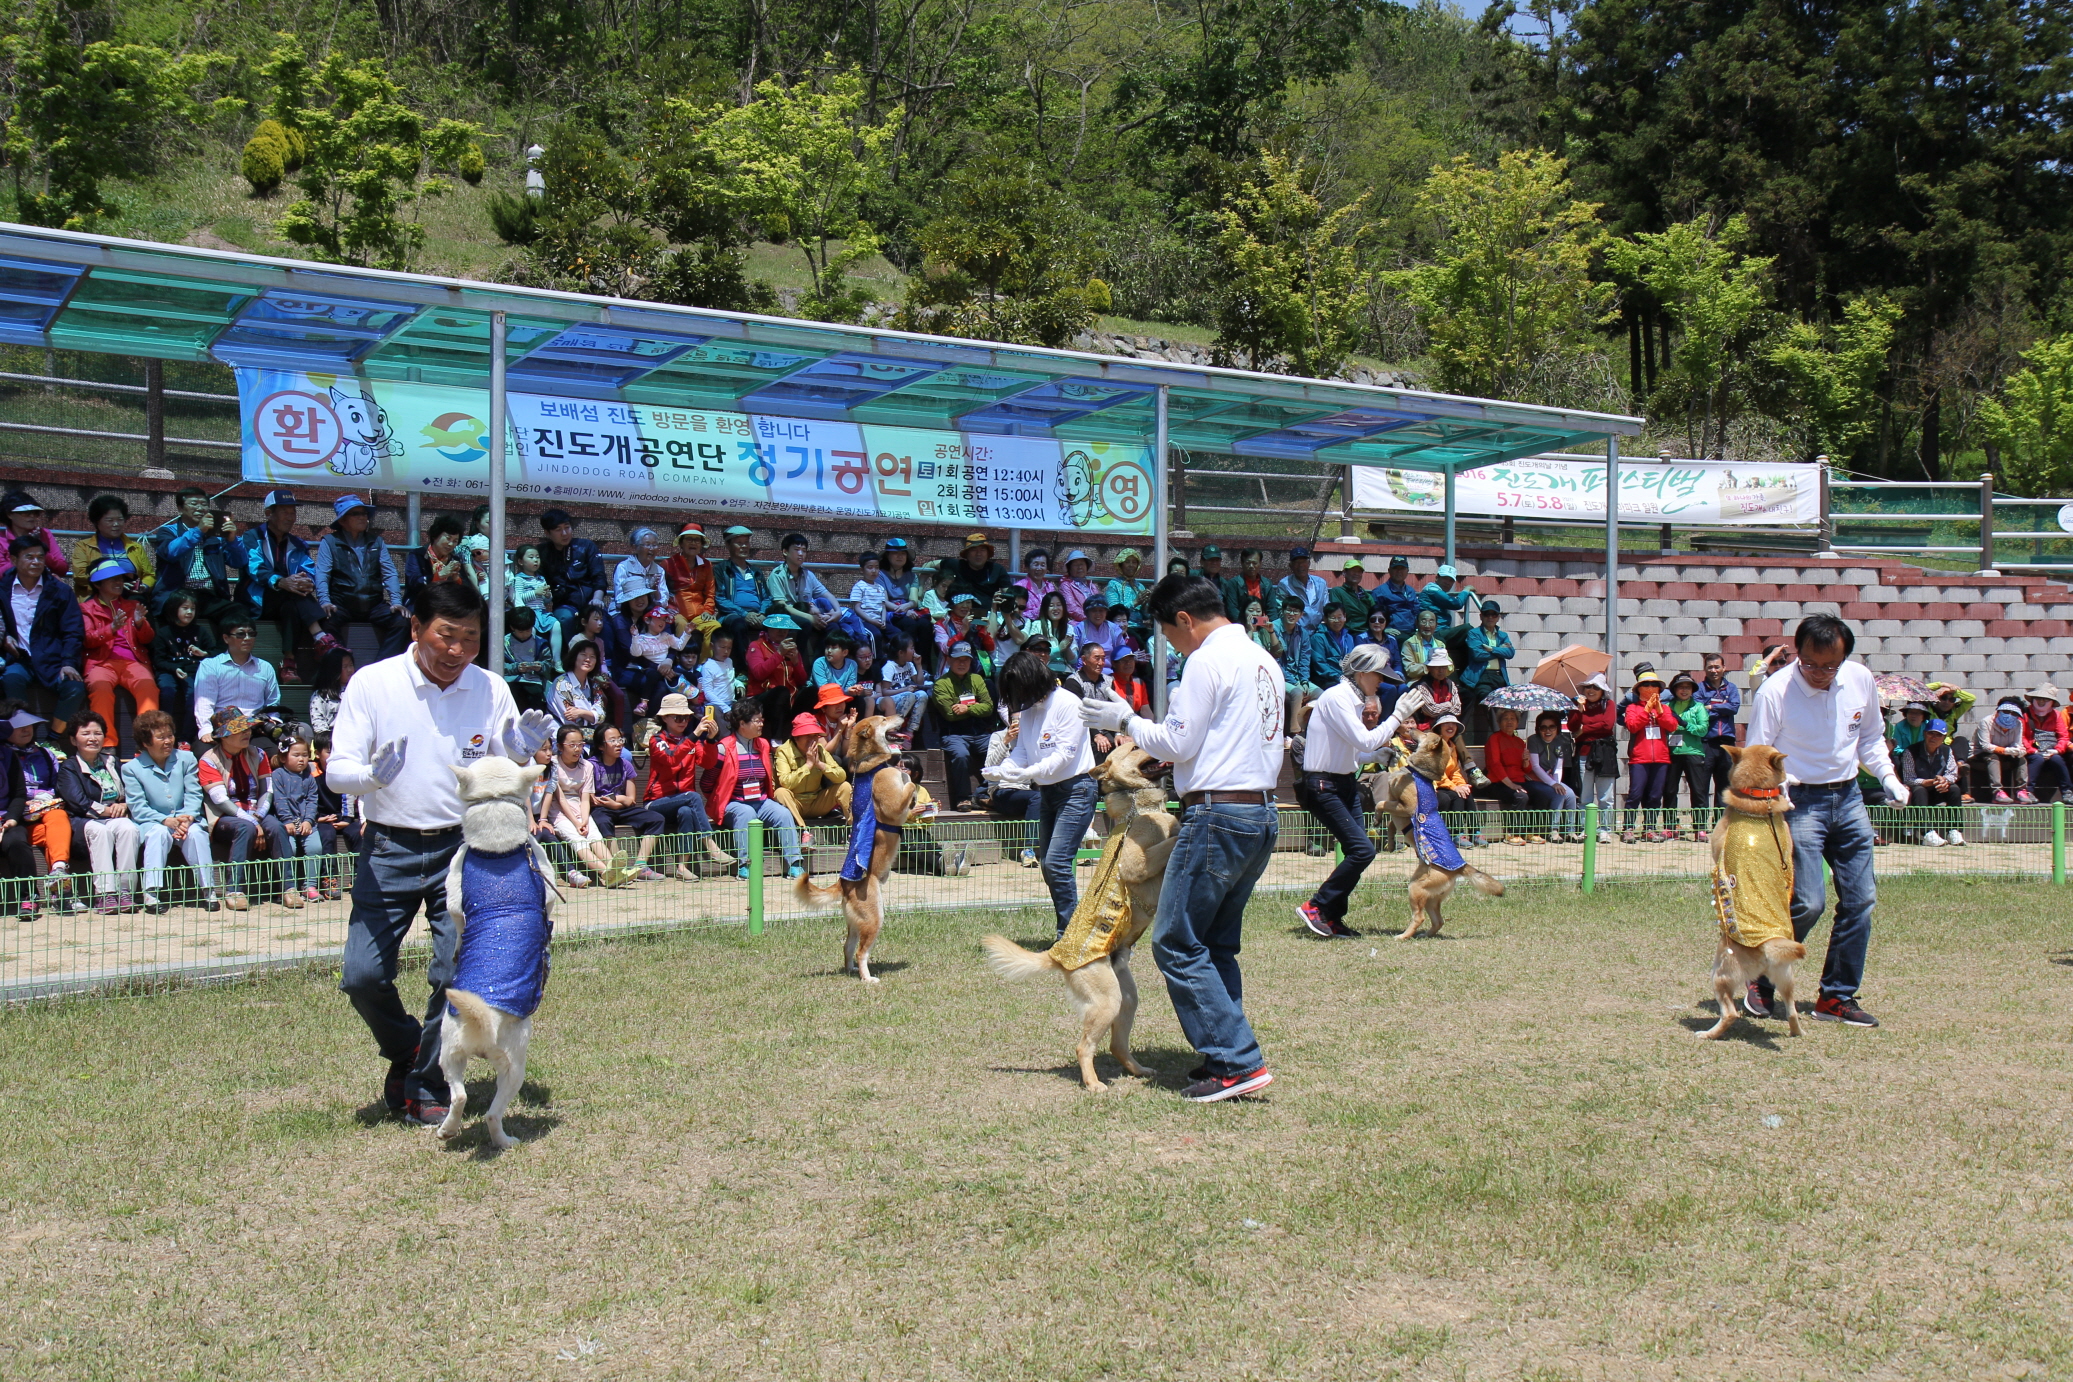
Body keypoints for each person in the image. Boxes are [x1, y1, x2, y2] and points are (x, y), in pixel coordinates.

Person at [326, 579, 555, 1126]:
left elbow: (507, 766)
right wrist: (367, 777)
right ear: (415, 629)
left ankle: (427, 1081)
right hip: (388, 845)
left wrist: (522, 751)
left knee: (452, 971)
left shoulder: (490, 687)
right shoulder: (373, 684)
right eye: (446, 636)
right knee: (361, 974)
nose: (456, 651)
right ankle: (406, 1049)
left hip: (466, 852)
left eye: (470, 639)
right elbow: (337, 768)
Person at [1079, 573, 1284, 1102]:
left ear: (1186, 620)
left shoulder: (1206, 661)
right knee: (1215, 943)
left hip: (1219, 815)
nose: (1170, 644)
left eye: (1169, 634)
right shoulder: (1263, 659)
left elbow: (1177, 741)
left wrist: (1125, 717)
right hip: (1260, 812)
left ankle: (1237, 1062)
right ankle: (1224, 1055)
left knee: (1175, 940)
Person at [1742, 613, 1906, 1028]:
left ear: (1845, 657)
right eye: (1811, 664)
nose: (1820, 674)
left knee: (1861, 901)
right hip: (1800, 802)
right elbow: (1757, 754)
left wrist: (1888, 778)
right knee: (1808, 901)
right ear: (1798, 654)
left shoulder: (1860, 679)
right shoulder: (1775, 692)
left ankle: (1836, 997)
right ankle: (1758, 972)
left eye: (1830, 666)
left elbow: (1869, 737)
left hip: (1849, 798)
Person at [985, 650, 1096, 939]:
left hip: (1076, 790)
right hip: (1048, 792)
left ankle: (1070, 935)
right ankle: (1073, 928)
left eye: (1018, 691)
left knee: (1057, 861)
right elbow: (1021, 750)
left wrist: (1027, 773)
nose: (1017, 699)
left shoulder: (1068, 704)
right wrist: (1004, 770)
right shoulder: (1031, 710)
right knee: (1048, 864)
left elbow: (1063, 756)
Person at [1294, 642, 1397, 938]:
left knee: (1359, 850)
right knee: (1363, 850)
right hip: (1324, 785)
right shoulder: (1337, 697)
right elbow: (1365, 741)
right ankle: (1316, 906)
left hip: (1343, 783)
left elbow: (1350, 752)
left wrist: (1373, 758)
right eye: (1379, 674)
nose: (1381, 681)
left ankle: (1331, 917)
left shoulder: (1349, 700)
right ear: (1362, 672)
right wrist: (1397, 715)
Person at [121, 708, 219, 914]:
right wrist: (166, 820)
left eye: (170, 735)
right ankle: (151, 893)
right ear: (146, 742)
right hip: (153, 822)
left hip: (186, 819)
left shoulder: (187, 758)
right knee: (157, 835)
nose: (168, 741)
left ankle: (209, 890)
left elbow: (194, 793)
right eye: (160, 737)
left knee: (196, 834)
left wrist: (188, 817)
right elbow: (138, 807)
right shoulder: (131, 768)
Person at [697, 702, 804, 880]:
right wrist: (721, 797)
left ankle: (794, 864)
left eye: (762, 720)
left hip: (761, 801)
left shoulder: (763, 744)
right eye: (756, 720)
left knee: (783, 814)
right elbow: (706, 783)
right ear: (742, 724)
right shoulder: (724, 747)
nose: (761, 724)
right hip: (734, 803)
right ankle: (745, 864)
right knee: (746, 812)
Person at [56, 711, 138, 912]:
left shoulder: (112, 762)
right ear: (73, 740)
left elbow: (129, 792)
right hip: (84, 821)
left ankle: (126, 892)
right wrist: (107, 811)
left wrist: (125, 805)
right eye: (85, 734)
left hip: (115, 817)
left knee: (129, 828)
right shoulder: (69, 767)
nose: (93, 738)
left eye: (98, 733)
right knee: (101, 831)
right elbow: (78, 802)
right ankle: (105, 894)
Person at [0, 534, 86, 725]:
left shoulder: (60, 591)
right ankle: (23, 736)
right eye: (29, 557)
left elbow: (73, 630)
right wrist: (4, 637)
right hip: (19, 659)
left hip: (52, 659)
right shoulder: (3, 589)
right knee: (11, 680)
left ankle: (53, 738)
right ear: (14, 560)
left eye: (40, 557)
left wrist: (69, 662)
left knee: (75, 688)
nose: (36, 562)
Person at [642, 693, 731, 877]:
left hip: (683, 803)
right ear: (665, 718)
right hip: (656, 803)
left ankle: (682, 867)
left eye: (686, 717)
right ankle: (710, 845)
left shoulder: (692, 741)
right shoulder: (656, 740)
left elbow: (707, 763)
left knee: (687, 810)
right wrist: (695, 734)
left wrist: (711, 740)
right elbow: (671, 758)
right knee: (692, 797)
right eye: (678, 717)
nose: (683, 721)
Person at [196, 708, 275, 911]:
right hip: (225, 817)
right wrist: (252, 822)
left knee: (276, 826)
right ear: (224, 736)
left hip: (256, 811)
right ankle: (234, 890)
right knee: (245, 828)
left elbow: (268, 791)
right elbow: (221, 801)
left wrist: (258, 817)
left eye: (247, 728)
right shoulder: (208, 760)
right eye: (240, 730)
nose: (247, 732)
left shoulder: (258, 753)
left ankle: (289, 887)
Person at [313, 495, 408, 659]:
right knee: (326, 621)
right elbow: (322, 573)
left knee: (403, 621)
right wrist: (324, 601)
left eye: (364, 513)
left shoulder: (377, 541)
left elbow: (390, 572)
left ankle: (381, 667)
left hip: (374, 604)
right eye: (356, 514)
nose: (363, 517)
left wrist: (396, 602)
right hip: (342, 603)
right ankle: (342, 665)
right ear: (342, 521)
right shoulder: (329, 542)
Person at [240, 489, 332, 656]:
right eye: (285, 512)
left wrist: (306, 582)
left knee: (291, 602)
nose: (290, 517)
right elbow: (255, 568)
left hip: (289, 600)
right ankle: (320, 636)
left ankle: (289, 662)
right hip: (257, 601)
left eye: (293, 512)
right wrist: (281, 581)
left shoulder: (298, 543)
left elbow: (309, 570)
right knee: (291, 592)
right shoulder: (252, 537)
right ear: (269, 513)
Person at [79, 556, 159, 727]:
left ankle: (148, 741)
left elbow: (148, 638)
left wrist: (139, 624)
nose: (119, 582)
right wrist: (111, 628)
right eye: (112, 579)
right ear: (98, 584)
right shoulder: (86, 608)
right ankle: (106, 744)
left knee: (148, 686)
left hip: (133, 662)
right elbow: (87, 640)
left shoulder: (133, 605)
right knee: (100, 688)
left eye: (120, 578)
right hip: (101, 663)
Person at [7, 708, 74, 905]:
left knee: (58, 817)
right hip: (14, 819)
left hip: (43, 812)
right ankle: (58, 893)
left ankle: (59, 870)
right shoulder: (3, 756)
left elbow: (56, 785)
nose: (26, 730)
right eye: (19, 726)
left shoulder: (45, 754)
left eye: (29, 725)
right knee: (54, 834)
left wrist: (46, 798)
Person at [145, 487, 237, 626]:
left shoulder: (217, 535)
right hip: (177, 593)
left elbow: (238, 562)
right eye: (194, 504)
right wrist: (198, 531)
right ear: (180, 509)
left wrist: (233, 541)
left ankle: (220, 648)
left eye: (204, 504)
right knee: (181, 613)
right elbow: (171, 553)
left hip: (209, 595)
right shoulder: (168, 531)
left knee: (238, 613)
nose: (200, 508)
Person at [588, 722, 668, 880]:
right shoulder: (591, 766)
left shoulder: (625, 764)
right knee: (602, 821)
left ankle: (641, 866)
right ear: (601, 746)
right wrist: (616, 801)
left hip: (621, 808)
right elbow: (591, 799)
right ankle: (619, 867)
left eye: (620, 739)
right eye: (612, 741)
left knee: (656, 819)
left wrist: (617, 801)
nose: (618, 744)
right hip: (601, 808)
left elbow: (631, 799)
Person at [543, 723, 618, 888]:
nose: (577, 749)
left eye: (581, 744)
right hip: (559, 812)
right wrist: (577, 824)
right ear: (561, 746)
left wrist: (584, 820)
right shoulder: (553, 765)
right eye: (572, 745)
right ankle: (607, 873)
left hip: (581, 809)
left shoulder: (587, 766)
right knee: (578, 840)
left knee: (595, 837)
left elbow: (585, 798)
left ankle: (614, 869)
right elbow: (560, 799)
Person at [191, 618, 281, 741]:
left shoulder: (265, 667)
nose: (247, 638)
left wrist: (273, 721)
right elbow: (204, 703)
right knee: (203, 752)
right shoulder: (210, 665)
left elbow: (272, 703)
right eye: (241, 634)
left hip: (255, 729)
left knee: (275, 752)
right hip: (221, 728)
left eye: (251, 634)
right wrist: (206, 730)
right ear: (226, 638)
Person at [932, 641, 996, 811]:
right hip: (953, 734)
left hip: (979, 733)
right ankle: (963, 798)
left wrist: (966, 708)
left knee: (997, 749)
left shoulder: (977, 679)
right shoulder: (941, 684)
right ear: (949, 660)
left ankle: (986, 794)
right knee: (961, 755)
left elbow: (989, 708)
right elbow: (950, 714)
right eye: (957, 659)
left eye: (966, 660)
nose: (962, 663)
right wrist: (977, 708)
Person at [267, 733, 326, 907]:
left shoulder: (309, 776)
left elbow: (312, 800)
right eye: (296, 755)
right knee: (289, 849)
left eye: (305, 755)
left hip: (307, 823)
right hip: (286, 824)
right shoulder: (278, 775)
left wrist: (308, 820)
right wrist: (287, 820)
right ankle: (286, 887)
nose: (301, 759)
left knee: (316, 847)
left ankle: (310, 886)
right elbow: (280, 800)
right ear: (284, 757)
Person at [1621, 669, 1677, 842]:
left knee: (1655, 795)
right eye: (1646, 685)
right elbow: (1632, 726)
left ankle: (1650, 828)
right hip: (1640, 758)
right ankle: (1628, 828)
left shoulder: (1665, 708)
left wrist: (1659, 711)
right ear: (1638, 690)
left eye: (1654, 685)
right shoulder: (1632, 707)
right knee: (1635, 794)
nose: (1650, 688)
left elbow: (1672, 726)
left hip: (1661, 758)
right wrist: (1646, 710)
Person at [152, 593, 215, 743]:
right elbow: (158, 660)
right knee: (167, 692)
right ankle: (165, 732)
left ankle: (185, 738)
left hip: (192, 671)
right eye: (185, 608)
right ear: (174, 609)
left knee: (194, 695)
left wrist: (204, 654)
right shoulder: (163, 632)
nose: (189, 612)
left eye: (192, 609)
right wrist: (174, 669)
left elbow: (215, 652)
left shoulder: (200, 632)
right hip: (169, 670)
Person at [537, 508, 608, 638]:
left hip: (591, 603)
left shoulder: (586, 546)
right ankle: (573, 655)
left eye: (567, 527)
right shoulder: (542, 553)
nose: (564, 533)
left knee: (606, 625)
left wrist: (597, 599)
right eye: (558, 530)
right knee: (565, 619)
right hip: (565, 605)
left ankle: (605, 658)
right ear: (547, 532)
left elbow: (599, 576)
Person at [774, 713, 853, 828]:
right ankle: (803, 831)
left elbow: (841, 776)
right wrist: (808, 765)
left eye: (815, 736)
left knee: (844, 786)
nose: (812, 740)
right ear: (796, 738)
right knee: (780, 792)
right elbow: (785, 782)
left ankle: (855, 830)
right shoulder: (783, 751)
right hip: (794, 803)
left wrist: (820, 764)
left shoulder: (820, 750)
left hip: (816, 802)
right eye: (807, 736)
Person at [71, 493, 156, 598]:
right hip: (97, 597)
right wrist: (116, 585)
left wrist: (144, 586)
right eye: (110, 520)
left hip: (131, 597)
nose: (116, 524)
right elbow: (80, 576)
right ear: (97, 522)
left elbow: (149, 574)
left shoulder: (135, 547)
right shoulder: (84, 547)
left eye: (120, 520)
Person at [1899, 718, 1964, 846]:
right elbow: (1908, 779)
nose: (1934, 738)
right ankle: (1927, 832)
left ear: (1944, 737)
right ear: (1924, 733)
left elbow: (1953, 773)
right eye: (1931, 733)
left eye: (1938, 735)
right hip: (1918, 793)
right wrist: (1927, 782)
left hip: (1938, 790)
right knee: (1919, 790)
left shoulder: (1947, 751)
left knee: (1954, 789)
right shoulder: (1910, 751)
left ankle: (1954, 830)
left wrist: (1944, 780)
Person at [1477, 707, 1537, 845]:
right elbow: (1495, 765)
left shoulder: (1520, 742)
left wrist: (1526, 760)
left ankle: (1533, 830)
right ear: (1499, 722)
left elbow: (1526, 769)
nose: (1509, 722)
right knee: (1521, 795)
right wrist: (1511, 785)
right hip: (1498, 783)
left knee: (1542, 791)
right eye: (1505, 719)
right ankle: (1512, 833)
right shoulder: (1494, 739)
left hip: (1519, 781)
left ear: (1517, 722)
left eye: (1512, 719)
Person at [1664, 671, 1713, 839]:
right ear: (1674, 690)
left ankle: (1700, 827)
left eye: (1688, 687)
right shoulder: (1668, 706)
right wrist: (1678, 725)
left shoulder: (1698, 707)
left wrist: (1683, 723)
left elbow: (1702, 729)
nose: (1684, 690)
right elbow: (1665, 725)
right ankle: (1670, 826)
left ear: (1692, 690)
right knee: (1669, 790)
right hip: (1672, 752)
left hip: (1694, 752)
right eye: (1680, 687)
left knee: (1699, 791)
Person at [311, 732, 358, 898]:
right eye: (329, 752)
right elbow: (309, 798)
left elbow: (349, 794)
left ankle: (358, 876)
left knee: (358, 832)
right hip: (321, 818)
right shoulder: (312, 772)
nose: (333, 756)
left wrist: (347, 819)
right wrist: (317, 818)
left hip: (343, 815)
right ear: (317, 753)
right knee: (327, 836)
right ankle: (329, 878)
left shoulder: (343, 769)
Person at [1692, 653, 1742, 806]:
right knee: (1701, 786)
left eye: (1717, 667)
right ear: (1704, 669)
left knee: (1725, 786)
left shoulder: (1731, 687)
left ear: (1724, 668)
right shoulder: (1699, 689)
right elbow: (1701, 714)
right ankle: (1700, 826)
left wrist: (1712, 706)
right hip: (1706, 742)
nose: (1714, 670)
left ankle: (1720, 824)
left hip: (1727, 742)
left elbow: (1734, 707)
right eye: (1710, 667)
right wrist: (1722, 708)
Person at [1573, 673, 1618, 842]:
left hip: (1605, 753)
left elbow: (1607, 725)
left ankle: (1605, 829)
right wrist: (1578, 710)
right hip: (1584, 753)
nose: (1591, 690)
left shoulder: (1609, 704)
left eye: (1596, 687)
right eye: (1588, 687)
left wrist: (1585, 729)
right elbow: (1572, 726)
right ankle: (1587, 829)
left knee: (1606, 797)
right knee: (1585, 796)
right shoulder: (1578, 705)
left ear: (1602, 691)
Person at [744, 615, 809, 730]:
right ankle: (776, 739)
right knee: (781, 691)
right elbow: (759, 673)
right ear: (768, 628)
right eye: (777, 628)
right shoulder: (756, 645)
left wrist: (796, 662)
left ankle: (804, 730)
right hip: (763, 697)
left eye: (785, 628)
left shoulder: (791, 647)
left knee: (811, 692)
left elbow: (801, 681)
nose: (782, 631)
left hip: (788, 699)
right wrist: (779, 654)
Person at [663, 523, 720, 653]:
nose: (693, 543)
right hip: (676, 612)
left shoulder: (706, 565)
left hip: (700, 613)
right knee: (682, 625)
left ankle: (704, 666)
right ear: (681, 543)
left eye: (697, 540)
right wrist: (669, 609)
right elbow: (661, 591)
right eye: (689, 539)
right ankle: (682, 665)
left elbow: (710, 593)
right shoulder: (668, 564)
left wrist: (708, 611)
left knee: (714, 625)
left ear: (701, 544)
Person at [1527, 710, 1584, 841]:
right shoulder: (1533, 740)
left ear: (1557, 729)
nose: (1548, 731)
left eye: (1552, 727)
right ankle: (1553, 830)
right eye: (1543, 727)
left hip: (1550, 779)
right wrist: (1554, 785)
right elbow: (1535, 766)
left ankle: (1571, 831)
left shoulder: (1560, 741)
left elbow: (1558, 767)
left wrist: (1557, 783)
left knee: (1569, 793)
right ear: (1538, 729)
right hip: (1534, 779)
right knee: (1558, 793)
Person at [713, 525, 768, 660]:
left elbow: (767, 597)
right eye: (739, 543)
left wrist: (761, 613)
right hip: (732, 614)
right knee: (738, 624)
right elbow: (719, 598)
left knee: (781, 621)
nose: (744, 547)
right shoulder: (721, 569)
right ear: (728, 545)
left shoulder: (755, 571)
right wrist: (745, 614)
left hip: (757, 614)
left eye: (746, 543)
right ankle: (742, 668)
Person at [1459, 599, 1514, 731]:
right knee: (1487, 700)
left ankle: (1510, 734)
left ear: (1498, 617)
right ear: (1481, 616)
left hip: (1499, 676)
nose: (1490, 617)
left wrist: (1491, 649)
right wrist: (1500, 650)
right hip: (1482, 677)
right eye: (1486, 614)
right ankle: (1498, 734)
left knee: (1509, 702)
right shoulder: (1474, 633)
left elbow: (1511, 652)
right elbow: (1477, 655)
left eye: (1493, 614)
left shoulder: (1503, 635)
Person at [402, 514, 469, 611]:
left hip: (447, 604)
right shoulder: (418, 555)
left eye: (455, 541)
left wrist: (457, 579)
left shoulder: (455, 560)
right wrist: (440, 575)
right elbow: (414, 583)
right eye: (448, 538)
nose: (451, 544)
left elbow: (466, 589)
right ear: (435, 536)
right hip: (420, 602)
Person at [0, 491, 69, 584]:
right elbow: (1, 574)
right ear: (9, 514)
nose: (32, 516)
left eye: (35, 512)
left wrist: (41, 548)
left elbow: (62, 569)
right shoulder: (1, 539)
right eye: (25, 513)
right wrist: (24, 550)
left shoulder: (44, 534)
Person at [501, 606, 559, 713]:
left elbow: (548, 664)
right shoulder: (504, 642)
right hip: (512, 681)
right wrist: (517, 668)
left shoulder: (540, 643)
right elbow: (499, 666)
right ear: (512, 628)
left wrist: (540, 666)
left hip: (534, 681)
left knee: (535, 699)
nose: (524, 634)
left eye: (528, 630)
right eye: (520, 631)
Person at [2021, 684, 2073, 803]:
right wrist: (2032, 750)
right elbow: (2021, 735)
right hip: (2031, 750)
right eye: (2038, 699)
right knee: (2037, 759)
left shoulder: (2056, 715)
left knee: (2058, 760)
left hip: (2051, 749)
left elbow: (2063, 736)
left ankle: (2067, 792)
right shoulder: (2025, 714)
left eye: (2045, 699)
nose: (2041, 702)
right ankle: (2028, 791)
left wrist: (2057, 750)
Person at [1392, 644, 1463, 728]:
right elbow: (1432, 711)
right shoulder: (1421, 686)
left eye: (1444, 667)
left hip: (1446, 725)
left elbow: (1458, 709)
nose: (1441, 671)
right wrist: (1448, 704)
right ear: (1429, 668)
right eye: (1437, 667)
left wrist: (1440, 708)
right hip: (1427, 728)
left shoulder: (1451, 684)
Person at [1973, 695, 2028, 803]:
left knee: (2021, 759)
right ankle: (1997, 792)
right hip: (1983, 753)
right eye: (2006, 711)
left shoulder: (2018, 724)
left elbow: (2017, 743)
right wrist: (2005, 750)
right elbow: (1985, 746)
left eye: (2014, 714)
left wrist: (2019, 750)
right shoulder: (1986, 722)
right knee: (1993, 757)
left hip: (2006, 753)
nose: (2010, 715)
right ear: (1998, 711)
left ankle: (2021, 790)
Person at [875, 636, 931, 739]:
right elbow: (884, 692)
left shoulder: (909, 664)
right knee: (909, 695)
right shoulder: (889, 666)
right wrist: (905, 689)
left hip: (906, 696)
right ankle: (895, 729)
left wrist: (918, 665)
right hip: (890, 699)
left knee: (922, 694)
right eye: (911, 648)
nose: (914, 651)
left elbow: (920, 683)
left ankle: (910, 731)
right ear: (901, 653)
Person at [612, 527, 671, 613]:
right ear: (634, 547)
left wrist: (656, 594)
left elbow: (664, 600)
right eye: (647, 544)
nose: (651, 548)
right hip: (626, 611)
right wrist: (648, 587)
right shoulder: (623, 567)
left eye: (654, 545)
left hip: (651, 611)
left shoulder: (659, 570)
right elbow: (620, 599)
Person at [948, 532, 1012, 611]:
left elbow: (1008, 593)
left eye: (983, 550)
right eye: (974, 550)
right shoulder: (956, 565)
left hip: (990, 615)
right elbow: (931, 564)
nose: (978, 554)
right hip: (962, 614)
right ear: (967, 554)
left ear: (988, 553)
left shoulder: (997, 569)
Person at [1272, 546, 1328, 633]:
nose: (1300, 566)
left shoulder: (1321, 583)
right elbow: (1281, 610)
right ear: (1290, 566)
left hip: (1319, 631)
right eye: (1297, 562)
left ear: (1309, 563)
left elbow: (1326, 607)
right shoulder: (1285, 584)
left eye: (1303, 562)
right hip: (1297, 632)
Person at [1104, 548, 1149, 644]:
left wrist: (1145, 605)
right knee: (1138, 641)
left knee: (1156, 638)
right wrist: (1135, 602)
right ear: (1120, 565)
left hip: (1140, 627)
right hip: (1123, 627)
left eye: (1134, 562)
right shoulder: (1114, 584)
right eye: (1127, 562)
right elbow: (1113, 611)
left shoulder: (1140, 586)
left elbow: (1146, 617)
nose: (1131, 565)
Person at [1419, 563, 1474, 631]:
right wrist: (1466, 590)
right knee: (1467, 628)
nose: (1447, 582)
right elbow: (1456, 604)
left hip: (1440, 629)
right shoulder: (1432, 590)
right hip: (1434, 631)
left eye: (1451, 580)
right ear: (1437, 578)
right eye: (1445, 578)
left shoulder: (1435, 590)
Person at [1397, 607, 1444, 681]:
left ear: (1436, 625)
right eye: (1423, 621)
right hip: (1419, 681)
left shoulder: (1440, 644)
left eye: (1431, 621)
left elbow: (1450, 666)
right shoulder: (1409, 643)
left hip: (1438, 680)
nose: (1427, 625)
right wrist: (1430, 666)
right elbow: (1409, 670)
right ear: (1417, 623)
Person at [506, 543, 552, 616]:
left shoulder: (541, 578)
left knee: (556, 625)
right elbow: (518, 598)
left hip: (542, 612)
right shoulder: (519, 579)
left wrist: (548, 596)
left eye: (537, 557)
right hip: (527, 613)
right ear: (520, 562)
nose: (536, 560)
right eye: (531, 557)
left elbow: (544, 601)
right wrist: (535, 592)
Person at [698, 631, 737, 715]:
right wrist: (725, 708)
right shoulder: (708, 666)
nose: (726, 651)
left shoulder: (729, 661)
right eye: (723, 647)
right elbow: (708, 693)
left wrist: (739, 684)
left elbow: (729, 676)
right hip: (717, 704)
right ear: (712, 646)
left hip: (731, 702)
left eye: (729, 648)